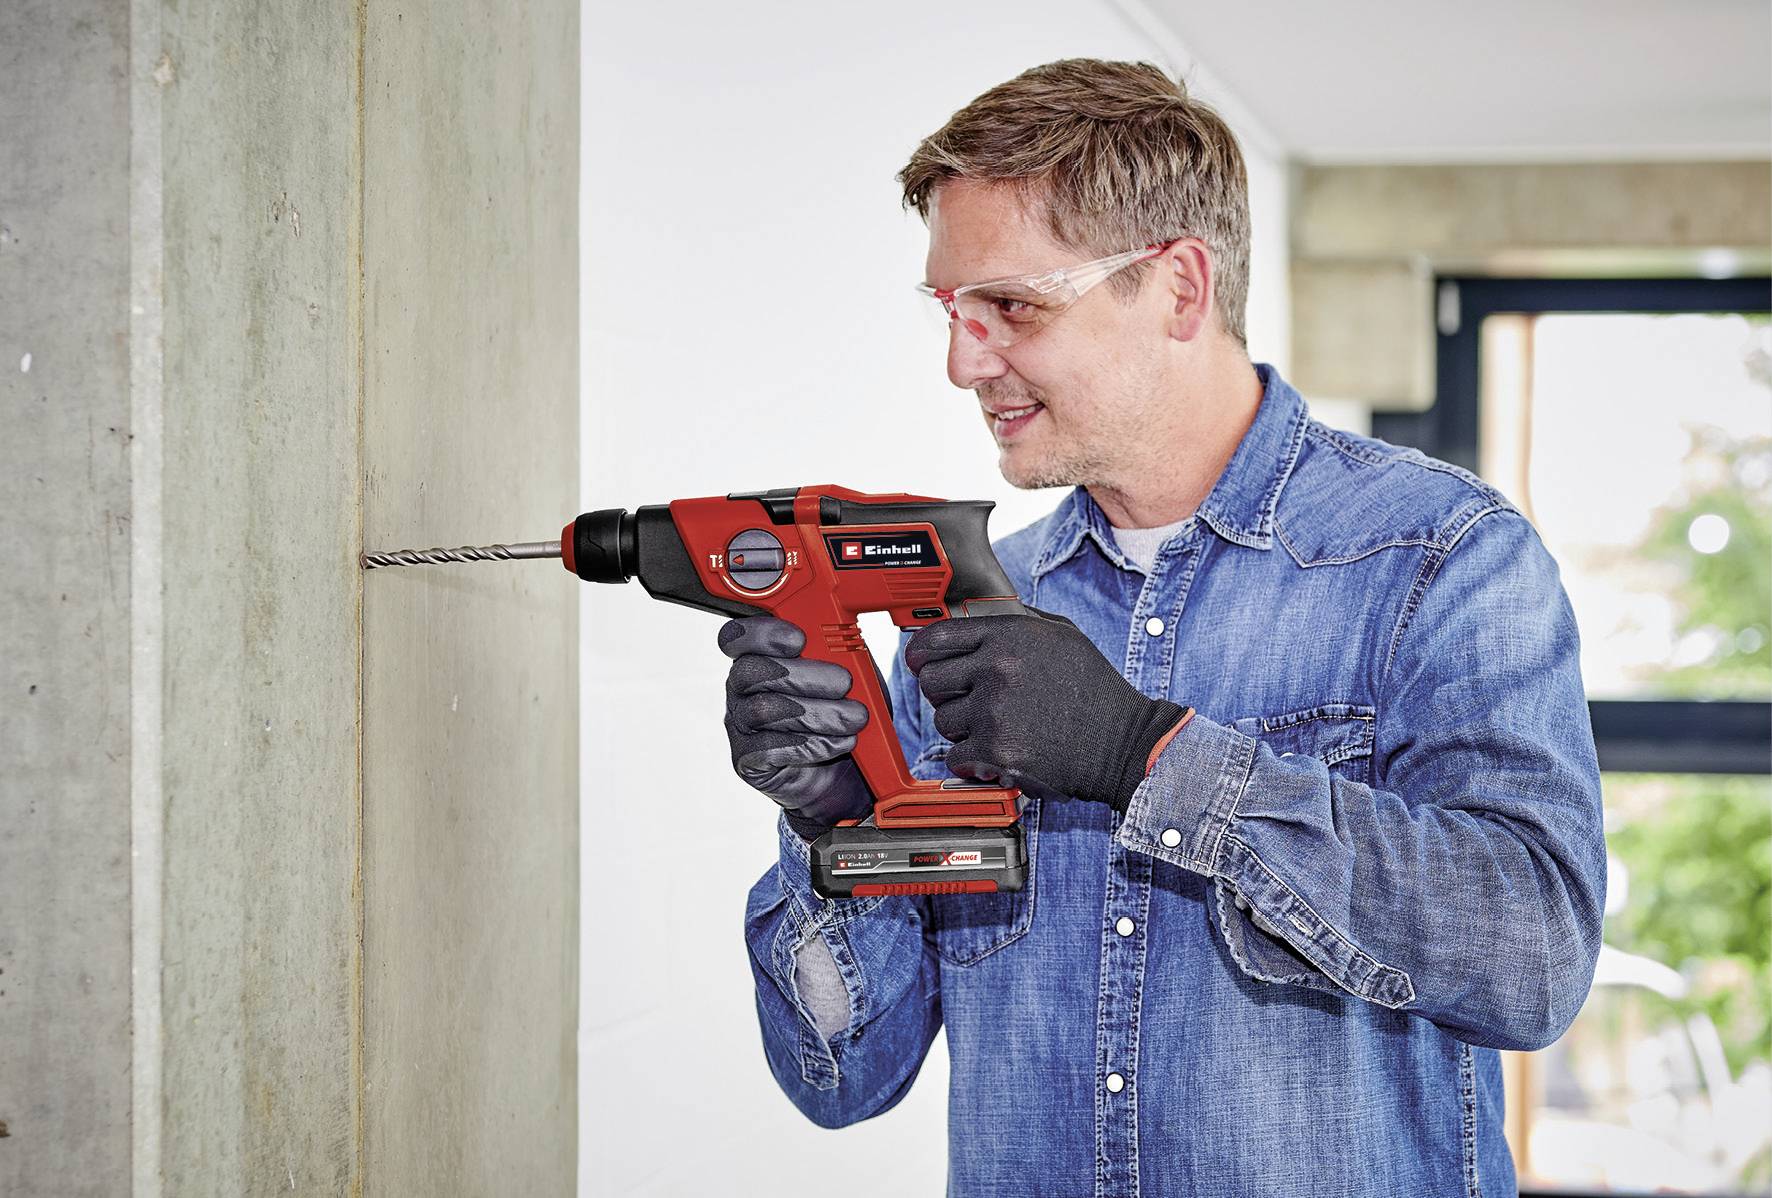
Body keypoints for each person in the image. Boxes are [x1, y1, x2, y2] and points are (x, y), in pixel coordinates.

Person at [724, 58, 1605, 1196]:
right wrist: (833, 822)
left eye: (1013, 306)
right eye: (950, 310)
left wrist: (1145, 756)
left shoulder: (1436, 558)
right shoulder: (973, 611)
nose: (961, 361)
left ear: (1179, 287)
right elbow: (837, 1074)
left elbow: (1529, 956)